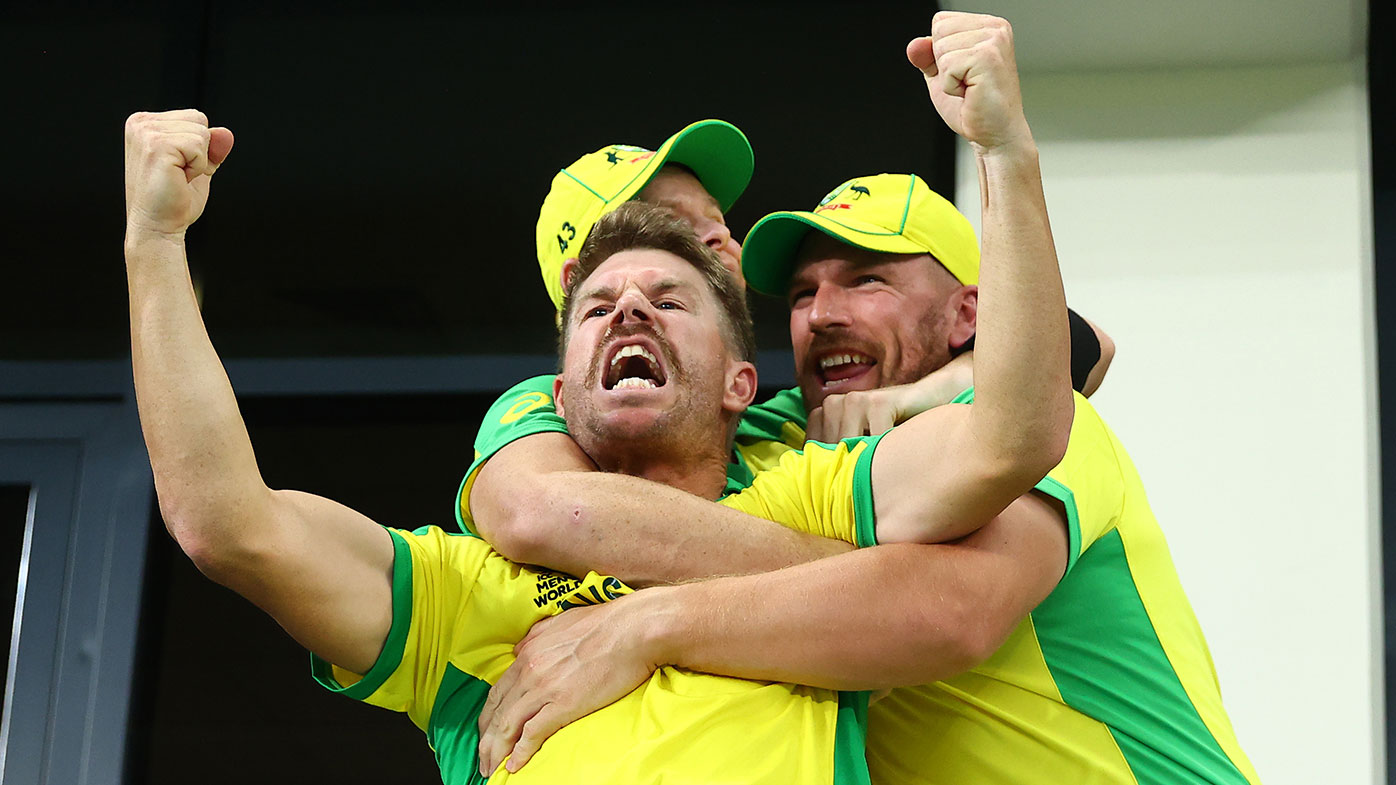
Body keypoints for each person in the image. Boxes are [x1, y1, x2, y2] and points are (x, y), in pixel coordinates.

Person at [121, 85, 1070, 780]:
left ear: (744, 384)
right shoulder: (467, 586)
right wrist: (155, 247)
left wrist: (1005, 156)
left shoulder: (818, 482)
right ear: (557, 389)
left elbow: (1014, 436)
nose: (631, 312)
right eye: (599, 305)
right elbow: (225, 523)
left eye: (672, 296)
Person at [474, 12, 1260, 785]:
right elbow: (539, 508)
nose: (820, 312)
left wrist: (656, 619)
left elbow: (955, 607)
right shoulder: (757, 433)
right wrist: (865, 578)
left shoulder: (1025, 416)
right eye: (676, 232)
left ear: (968, 315)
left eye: (867, 279)